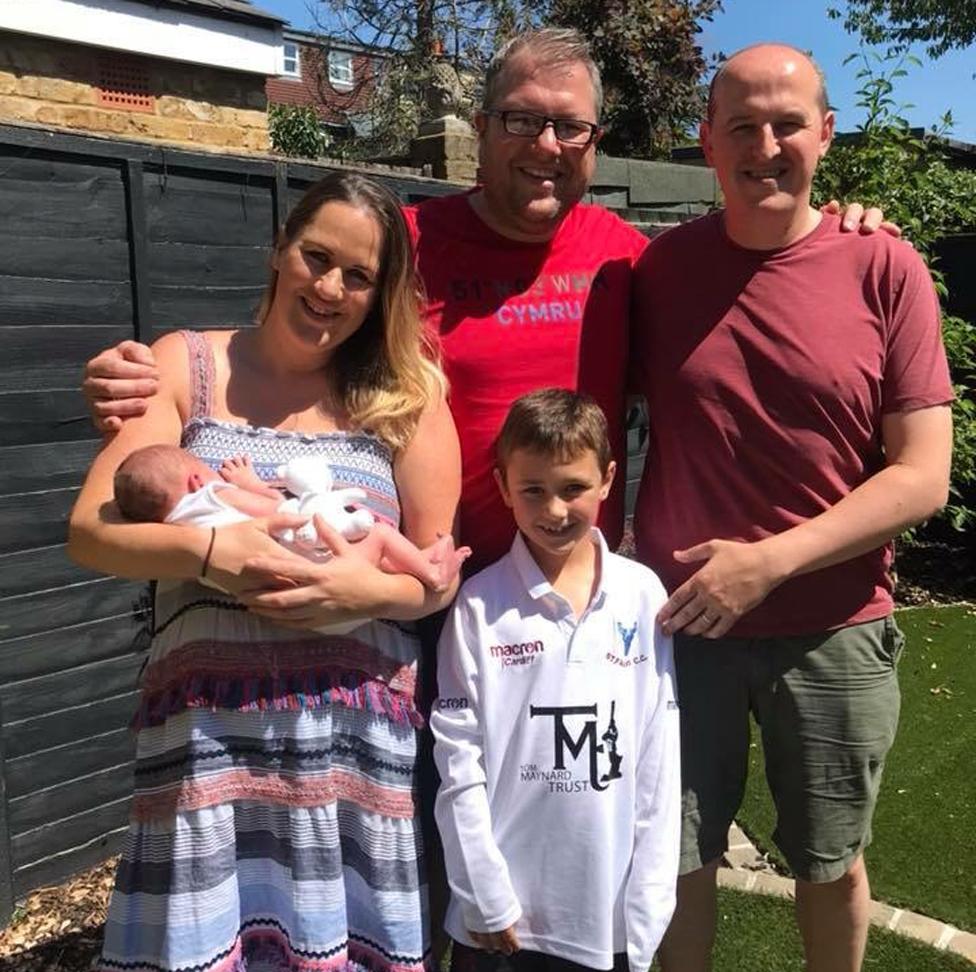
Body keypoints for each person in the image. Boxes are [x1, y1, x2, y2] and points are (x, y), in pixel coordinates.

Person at [78, 29, 890, 577]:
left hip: (575, 590)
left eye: (570, 128)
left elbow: (742, 313)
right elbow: (293, 336)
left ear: (595, 142)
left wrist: (843, 231)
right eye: (521, 120)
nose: (546, 146)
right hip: (416, 580)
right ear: (480, 125)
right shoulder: (400, 244)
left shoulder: (629, 259)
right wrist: (149, 374)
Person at [67, 171, 464, 972]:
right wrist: (215, 553)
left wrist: (364, 591)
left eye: (359, 276)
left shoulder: (407, 394)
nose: (330, 288)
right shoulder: (186, 364)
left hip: (352, 745)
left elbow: (439, 569)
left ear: (380, 294)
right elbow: (90, 532)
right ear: (280, 251)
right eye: (317, 257)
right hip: (211, 738)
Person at [630, 44, 954, 972]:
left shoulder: (885, 268)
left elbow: (921, 475)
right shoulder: (659, 273)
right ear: (705, 141)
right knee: (677, 861)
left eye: (786, 123)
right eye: (741, 124)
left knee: (831, 864)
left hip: (835, 627)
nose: (764, 145)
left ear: (825, 133)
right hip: (680, 629)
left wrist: (768, 561)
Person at [431, 389, 679, 972]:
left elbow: (656, 758)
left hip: (605, 913)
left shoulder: (643, 596)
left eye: (573, 488)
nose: (556, 510)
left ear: (609, 479)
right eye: (533, 490)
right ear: (502, 487)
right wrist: (482, 892)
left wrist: (649, 896)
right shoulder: (478, 605)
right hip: (502, 922)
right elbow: (458, 763)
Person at [114, 444, 470, 593]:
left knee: (374, 558)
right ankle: (431, 573)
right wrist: (250, 484)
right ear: (195, 480)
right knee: (378, 535)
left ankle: (419, 564)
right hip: (326, 578)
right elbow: (273, 509)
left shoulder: (174, 531)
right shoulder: (211, 494)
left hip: (291, 594)